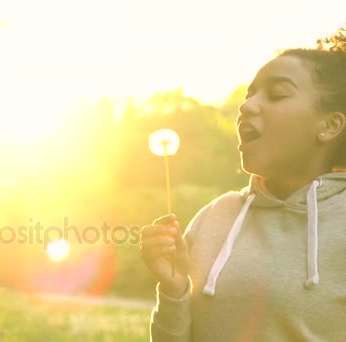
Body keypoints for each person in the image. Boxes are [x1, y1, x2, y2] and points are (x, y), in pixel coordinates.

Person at [139, 26, 346, 341]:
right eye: (250, 95)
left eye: (276, 94)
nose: (246, 107)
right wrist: (174, 289)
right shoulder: (214, 217)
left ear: (330, 125)